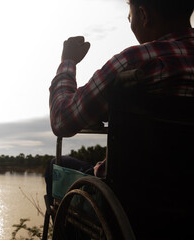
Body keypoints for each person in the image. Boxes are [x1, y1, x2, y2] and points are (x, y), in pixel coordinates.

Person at [45, 0, 194, 203]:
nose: (130, 22)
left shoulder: (135, 60)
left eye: (130, 16)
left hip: (128, 201)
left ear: (144, 15)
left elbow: (62, 120)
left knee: (56, 164)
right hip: (186, 197)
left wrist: (68, 62)